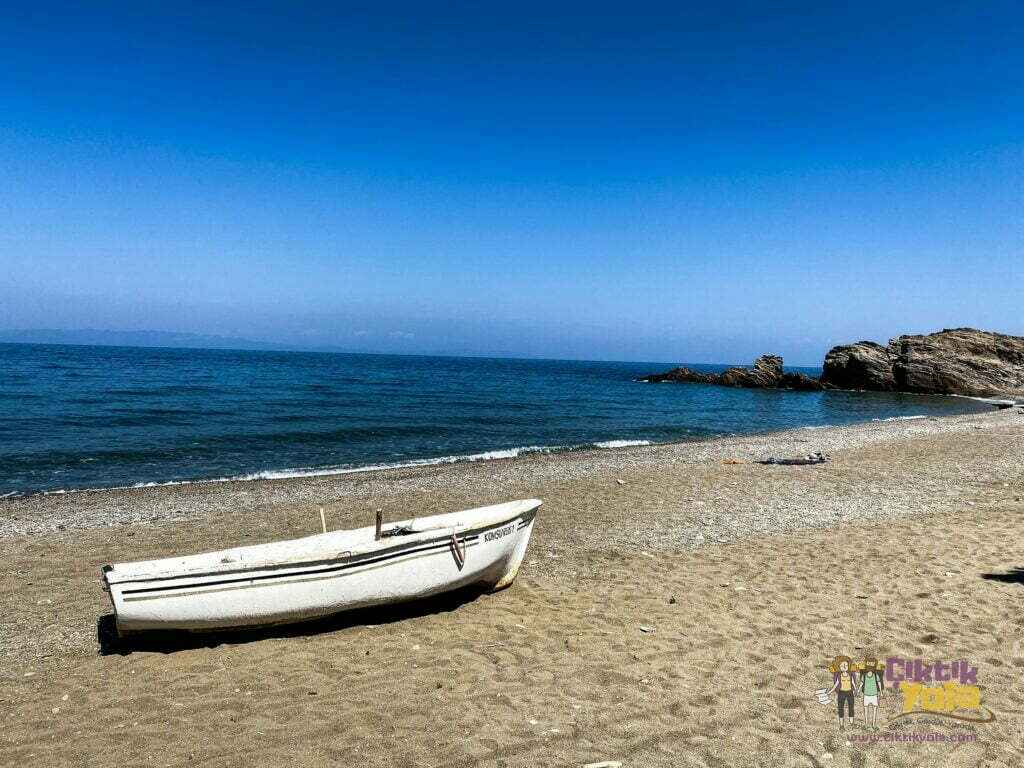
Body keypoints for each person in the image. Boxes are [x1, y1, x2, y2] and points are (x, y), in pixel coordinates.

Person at [825, 655, 858, 730]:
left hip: (850, 692)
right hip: (841, 693)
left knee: (851, 708)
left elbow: (853, 683)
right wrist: (829, 692)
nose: (845, 666)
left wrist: (856, 690)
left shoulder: (850, 674)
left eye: (846, 665)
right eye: (843, 665)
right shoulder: (839, 675)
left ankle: (852, 723)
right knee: (841, 709)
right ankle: (841, 726)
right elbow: (836, 685)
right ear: (839, 666)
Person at [859, 658, 885, 730]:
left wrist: (881, 692)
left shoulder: (875, 675)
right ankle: (866, 725)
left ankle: (873, 725)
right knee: (866, 710)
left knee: (874, 710)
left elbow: (879, 683)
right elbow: (861, 683)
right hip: (866, 695)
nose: (870, 665)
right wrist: (858, 690)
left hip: (874, 695)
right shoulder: (864, 675)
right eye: (868, 663)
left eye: (872, 664)